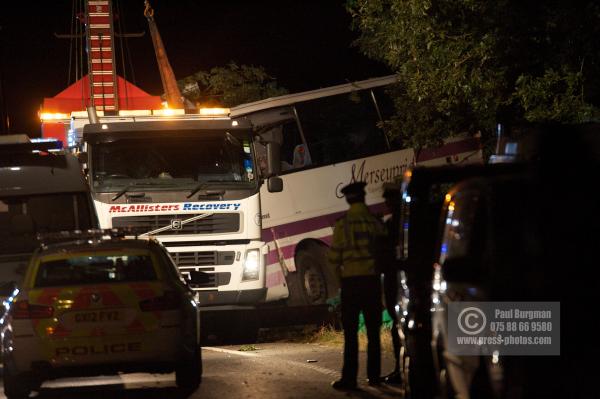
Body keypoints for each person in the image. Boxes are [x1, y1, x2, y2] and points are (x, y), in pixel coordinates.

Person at [328, 181, 386, 390]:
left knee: (351, 334)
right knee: (373, 332)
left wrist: (340, 282)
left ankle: (350, 378)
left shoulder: (343, 224)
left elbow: (334, 258)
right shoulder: (375, 223)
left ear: (347, 199)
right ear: (363, 197)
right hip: (372, 282)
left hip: (351, 283)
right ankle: (375, 377)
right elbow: (384, 253)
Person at [381, 182, 403, 384]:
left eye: (389, 200)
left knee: (398, 326)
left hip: (397, 281)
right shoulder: (410, 222)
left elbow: (383, 256)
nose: (387, 203)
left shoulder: (391, 225)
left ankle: (400, 369)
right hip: (402, 280)